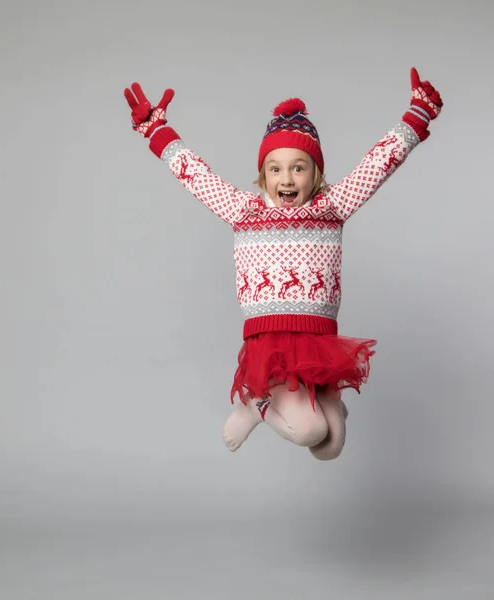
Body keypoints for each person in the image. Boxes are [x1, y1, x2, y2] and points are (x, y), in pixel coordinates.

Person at [124, 68, 442, 459]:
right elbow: (196, 175)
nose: (287, 178)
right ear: (262, 176)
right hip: (272, 341)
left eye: (299, 167)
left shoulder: (332, 208)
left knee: (330, 446)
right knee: (310, 430)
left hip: (319, 340)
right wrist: (156, 131)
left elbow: (377, 165)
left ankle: (312, 411)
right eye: (275, 168)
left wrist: (418, 114)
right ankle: (257, 405)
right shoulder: (245, 211)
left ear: (316, 174)